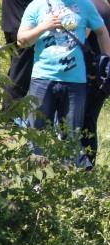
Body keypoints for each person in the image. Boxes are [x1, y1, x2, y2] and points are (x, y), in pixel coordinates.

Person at [17, 0, 110, 164]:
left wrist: (106, 61)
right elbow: (21, 41)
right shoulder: (37, 5)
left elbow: (101, 31)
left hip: (75, 82)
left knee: (72, 135)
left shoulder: (85, 5)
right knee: (36, 133)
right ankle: (36, 184)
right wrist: (43, 27)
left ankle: (70, 182)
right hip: (42, 79)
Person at [80, 0, 110, 165]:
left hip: (91, 75)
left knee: (83, 122)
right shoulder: (104, 5)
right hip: (102, 75)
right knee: (89, 121)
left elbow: (80, 38)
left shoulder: (88, 7)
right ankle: (88, 163)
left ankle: (86, 164)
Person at [3, 0, 36, 106]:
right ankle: (10, 115)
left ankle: (8, 111)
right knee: (20, 74)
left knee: (16, 70)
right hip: (23, 30)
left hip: (12, 24)